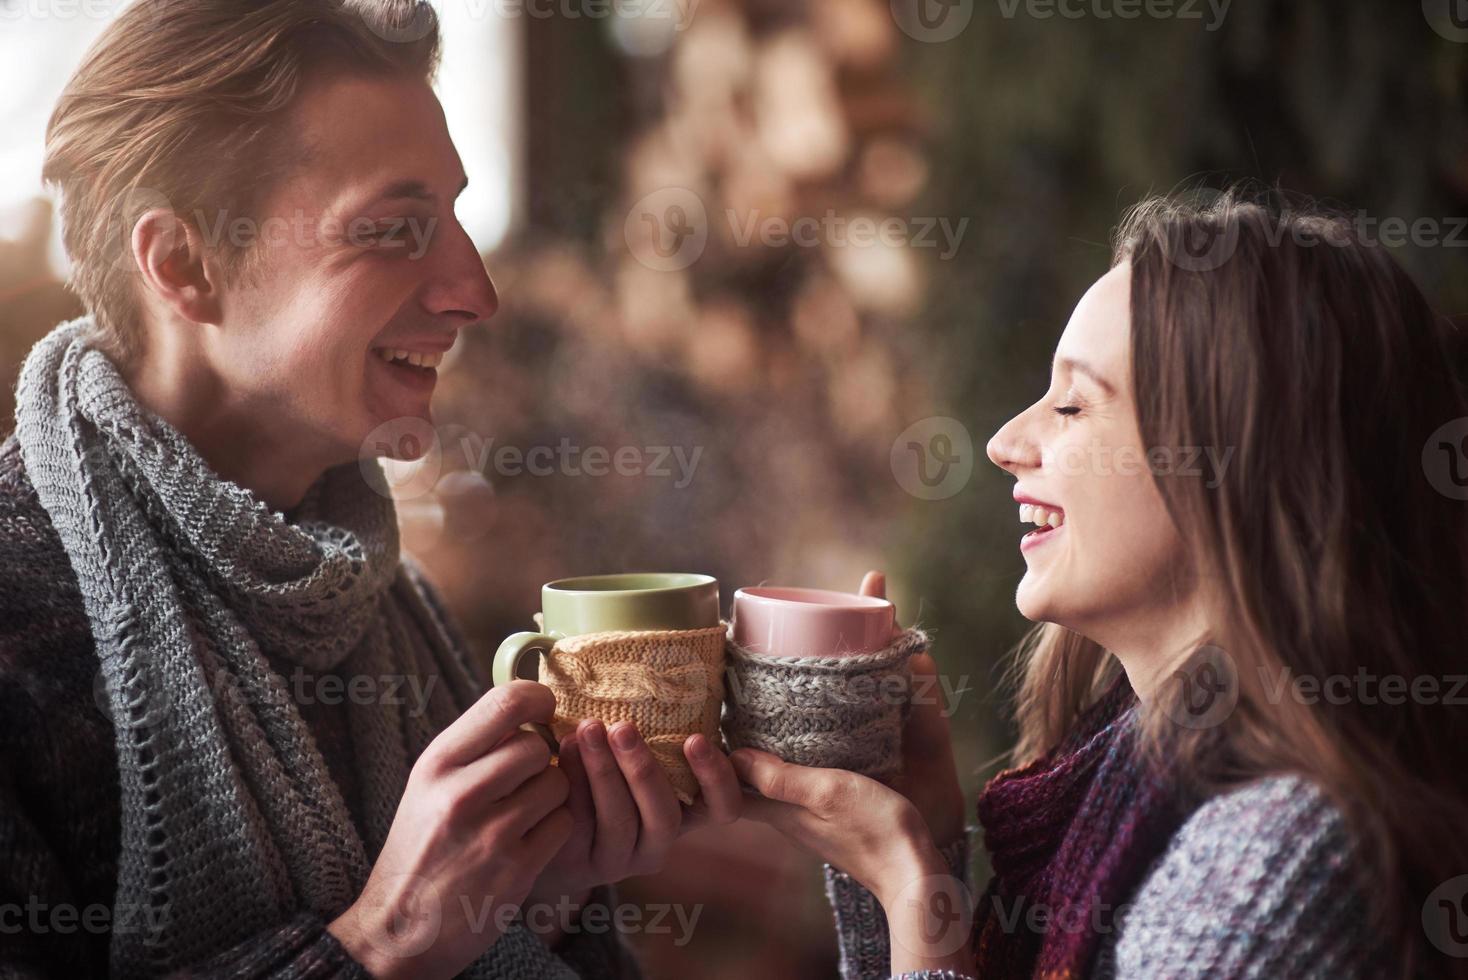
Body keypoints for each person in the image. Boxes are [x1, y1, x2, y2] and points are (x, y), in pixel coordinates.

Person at [0, 1, 741, 977]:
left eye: (455, 218)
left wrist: (535, 901)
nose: (473, 289)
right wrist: (383, 939)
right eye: (395, 229)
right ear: (183, 263)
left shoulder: (389, 602)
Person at [733, 191, 1468, 979]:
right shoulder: (1115, 792)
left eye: (1073, 404)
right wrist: (913, 865)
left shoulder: (1275, 865)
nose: (1006, 442)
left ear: (1233, 470)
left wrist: (914, 890)